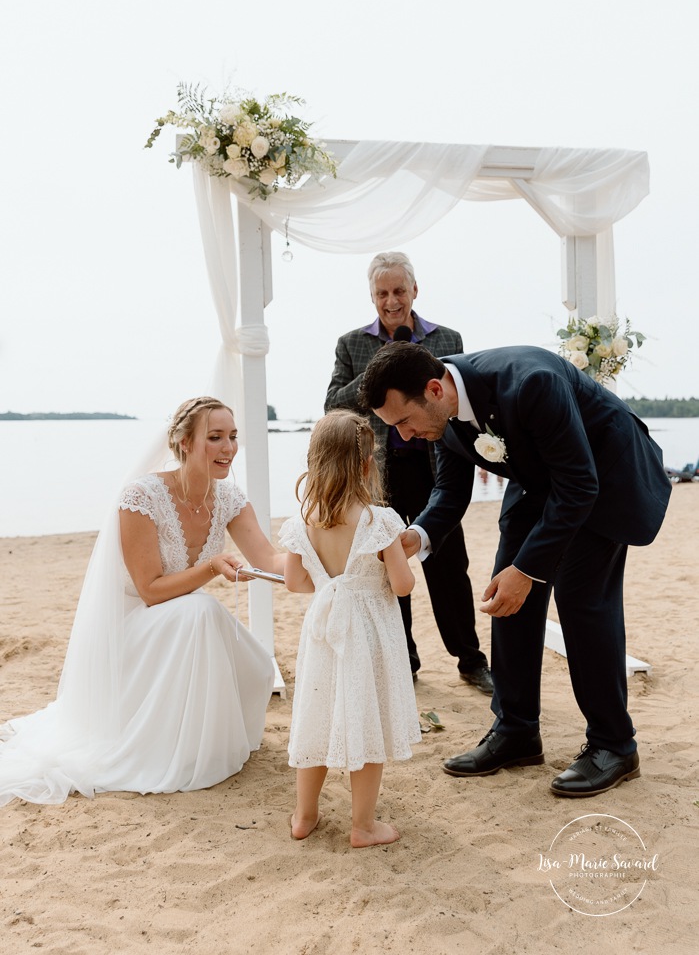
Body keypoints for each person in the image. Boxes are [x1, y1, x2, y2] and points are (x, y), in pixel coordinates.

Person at [359, 342, 671, 797]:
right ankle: (517, 731)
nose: (403, 436)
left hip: (603, 479)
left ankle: (614, 745)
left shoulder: (530, 383)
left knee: (582, 604)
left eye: (403, 422)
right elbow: (449, 492)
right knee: (503, 599)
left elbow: (580, 484)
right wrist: (417, 537)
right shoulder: (437, 416)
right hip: (541, 484)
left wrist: (527, 569)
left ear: (434, 389)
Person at [0, 396, 281, 805]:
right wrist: (211, 568)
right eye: (215, 437)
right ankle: (174, 751)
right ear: (185, 442)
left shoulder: (230, 499)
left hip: (182, 623)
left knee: (255, 665)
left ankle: (203, 743)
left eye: (233, 437)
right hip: (131, 627)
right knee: (202, 610)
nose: (228, 448)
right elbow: (150, 590)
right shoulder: (141, 497)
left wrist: (322, 554)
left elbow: (270, 560)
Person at [324, 251, 491, 694]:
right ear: (372, 296)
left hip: (439, 467)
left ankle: (470, 660)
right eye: (382, 293)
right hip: (381, 473)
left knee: (449, 566)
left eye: (399, 291)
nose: (391, 300)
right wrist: (383, 368)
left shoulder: (447, 337)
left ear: (415, 291)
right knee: (387, 565)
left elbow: (463, 398)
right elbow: (332, 406)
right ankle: (405, 660)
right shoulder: (352, 344)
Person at [280, 410, 421, 846]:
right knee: (366, 721)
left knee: (318, 719)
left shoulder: (305, 519)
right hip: (369, 634)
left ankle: (304, 817)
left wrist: (329, 582)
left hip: (323, 634)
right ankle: (362, 826)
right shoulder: (380, 521)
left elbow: (294, 582)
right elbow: (401, 585)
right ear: (365, 463)